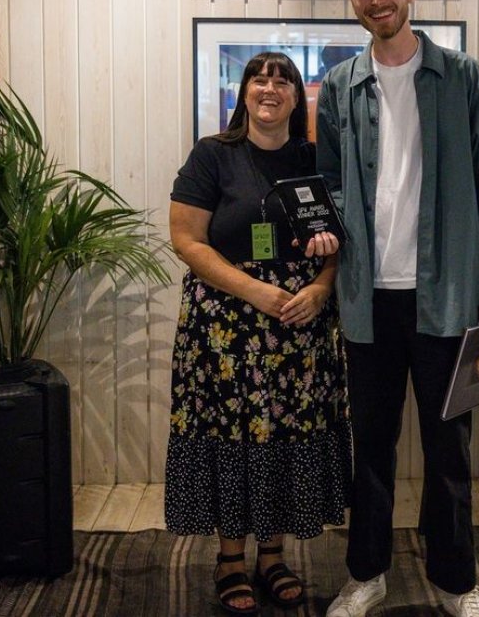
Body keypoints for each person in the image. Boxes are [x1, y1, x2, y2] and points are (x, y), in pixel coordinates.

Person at [316, 0, 479, 617]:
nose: (377, 1)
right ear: (356, 3)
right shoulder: (341, 86)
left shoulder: (463, 78)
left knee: (449, 451)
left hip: (450, 300)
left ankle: (457, 583)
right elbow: (328, 189)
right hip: (367, 303)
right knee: (370, 448)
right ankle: (365, 574)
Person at [165, 51, 352, 615]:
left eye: (283, 80)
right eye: (259, 78)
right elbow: (187, 241)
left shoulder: (317, 159)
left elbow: (342, 239)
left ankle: (272, 554)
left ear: (299, 97)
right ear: (243, 91)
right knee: (230, 433)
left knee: (284, 435)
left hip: (300, 325)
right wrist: (255, 292)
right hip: (225, 326)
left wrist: (321, 288)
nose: (269, 87)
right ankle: (229, 557)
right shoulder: (212, 155)